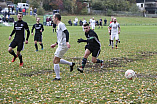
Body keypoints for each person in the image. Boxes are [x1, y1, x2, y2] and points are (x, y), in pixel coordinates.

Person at [50, 13, 75, 81]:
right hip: (60, 44)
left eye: (53, 18)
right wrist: (55, 44)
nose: (52, 19)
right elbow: (61, 37)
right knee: (57, 59)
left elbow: (67, 33)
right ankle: (71, 64)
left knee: (55, 60)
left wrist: (67, 42)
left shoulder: (61, 24)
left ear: (56, 18)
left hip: (63, 45)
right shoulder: (58, 25)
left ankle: (58, 77)